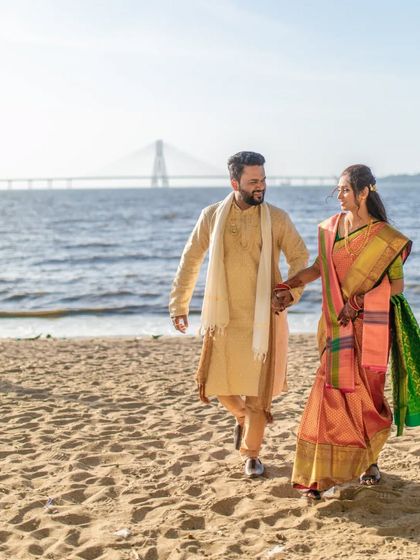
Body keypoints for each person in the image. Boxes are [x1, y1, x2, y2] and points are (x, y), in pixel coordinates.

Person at [272, 164, 418, 499]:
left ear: (365, 191)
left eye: (345, 190)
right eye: (338, 189)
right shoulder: (330, 229)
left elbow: (396, 286)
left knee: (367, 399)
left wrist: (361, 301)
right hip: (336, 327)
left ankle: (369, 462)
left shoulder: (385, 237)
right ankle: (317, 477)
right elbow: (318, 269)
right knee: (328, 393)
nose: (339, 195)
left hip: (371, 329)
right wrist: (288, 285)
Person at [170, 151, 309, 477]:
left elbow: (300, 257)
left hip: (266, 319)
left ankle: (252, 454)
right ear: (235, 182)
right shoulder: (211, 216)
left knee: (259, 393)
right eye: (253, 181)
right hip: (225, 318)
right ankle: (243, 418)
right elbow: (191, 259)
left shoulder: (276, 218)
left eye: (263, 179)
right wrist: (179, 304)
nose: (261, 186)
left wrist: (290, 292)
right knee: (216, 382)